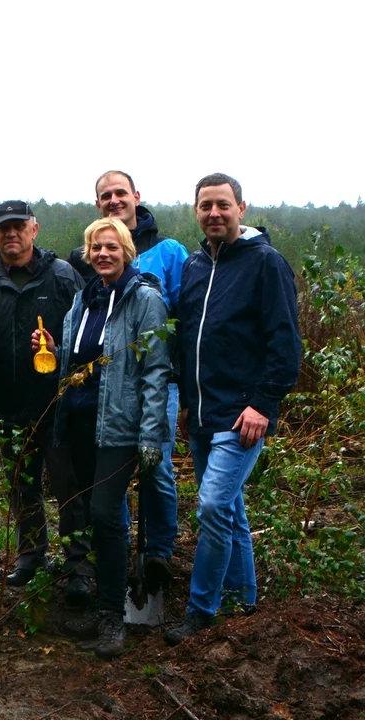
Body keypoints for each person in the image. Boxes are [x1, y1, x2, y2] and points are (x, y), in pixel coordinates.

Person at [165, 173, 301, 645]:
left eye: (223, 205)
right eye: (206, 206)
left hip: (243, 416)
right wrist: (187, 400)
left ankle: (202, 608)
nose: (214, 214)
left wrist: (263, 404)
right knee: (231, 510)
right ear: (197, 212)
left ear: (241, 208)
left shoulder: (266, 263)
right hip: (204, 412)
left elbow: (285, 343)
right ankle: (246, 600)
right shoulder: (196, 265)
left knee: (213, 504)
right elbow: (189, 338)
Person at [0, 201, 89, 602]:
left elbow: (88, 330)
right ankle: (30, 557)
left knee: (68, 486)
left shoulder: (62, 277)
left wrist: (64, 354)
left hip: (58, 406)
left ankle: (79, 565)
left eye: (18, 227)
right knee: (22, 486)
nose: (11, 234)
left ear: (34, 229)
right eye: (3, 228)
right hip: (7, 405)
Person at [38, 217, 169, 657]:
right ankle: (104, 604)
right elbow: (83, 361)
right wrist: (56, 350)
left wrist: (151, 433)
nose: (103, 254)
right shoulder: (83, 300)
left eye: (112, 247)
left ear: (127, 251)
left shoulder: (145, 299)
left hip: (118, 428)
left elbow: (154, 370)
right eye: (96, 247)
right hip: (78, 425)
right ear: (88, 254)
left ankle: (113, 616)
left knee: (105, 513)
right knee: (92, 515)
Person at [78, 171, 190, 586]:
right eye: (105, 195)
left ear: (136, 197)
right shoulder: (90, 255)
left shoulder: (169, 252)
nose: (113, 200)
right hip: (108, 386)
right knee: (111, 469)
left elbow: (186, 313)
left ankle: (158, 551)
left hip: (161, 379)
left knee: (155, 464)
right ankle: (117, 550)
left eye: (120, 193)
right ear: (98, 204)